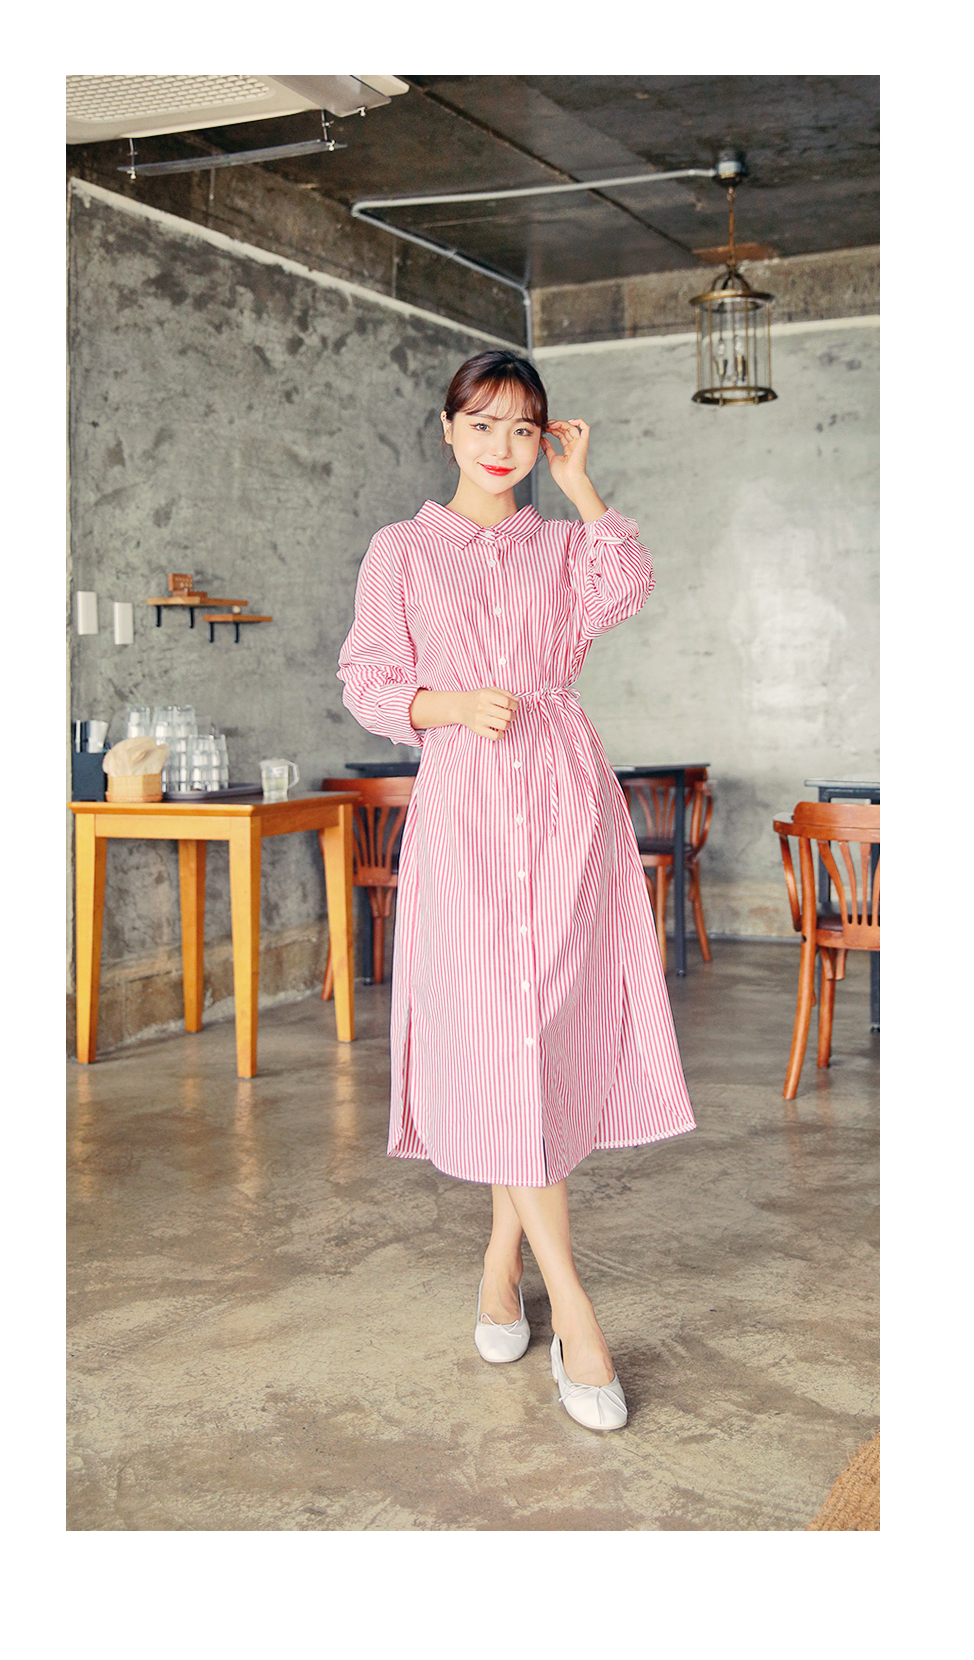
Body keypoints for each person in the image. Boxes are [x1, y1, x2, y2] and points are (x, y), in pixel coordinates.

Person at [338, 349, 695, 1432]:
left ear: (545, 440)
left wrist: (583, 488)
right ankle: (576, 1314)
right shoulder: (402, 550)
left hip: (567, 803)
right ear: (447, 428)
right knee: (499, 1032)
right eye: (484, 424)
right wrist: (449, 706)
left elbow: (626, 586)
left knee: (538, 1035)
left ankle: (502, 1258)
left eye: (525, 430)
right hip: (467, 814)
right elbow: (367, 677)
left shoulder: (563, 547)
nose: (503, 447)